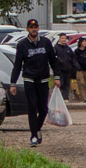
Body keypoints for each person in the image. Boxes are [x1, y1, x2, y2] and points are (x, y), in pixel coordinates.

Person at [10, 18, 58, 146]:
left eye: (36, 27)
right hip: (29, 80)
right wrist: (13, 83)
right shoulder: (22, 45)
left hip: (43, 80)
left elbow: (53, 61)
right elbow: (17, 65)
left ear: (38, 29)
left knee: (43, 109)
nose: (34, 29)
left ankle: (37, 130)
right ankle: (33, 136)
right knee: (32, 107)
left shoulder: (46, 43)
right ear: (27, 29)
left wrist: (57, 76)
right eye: (31, 27)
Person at [55, 34, 77, 100]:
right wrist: (59, 60)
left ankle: (65, 98)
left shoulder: (68, 48)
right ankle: (58, 99)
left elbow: (73, 57)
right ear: (59, 39)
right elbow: (53, 58)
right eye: (62, 38)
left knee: (67, 85)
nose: (64, 40)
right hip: (60, 70)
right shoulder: (56, 48)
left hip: (68, 69)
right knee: (60, 85)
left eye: (65, 38)